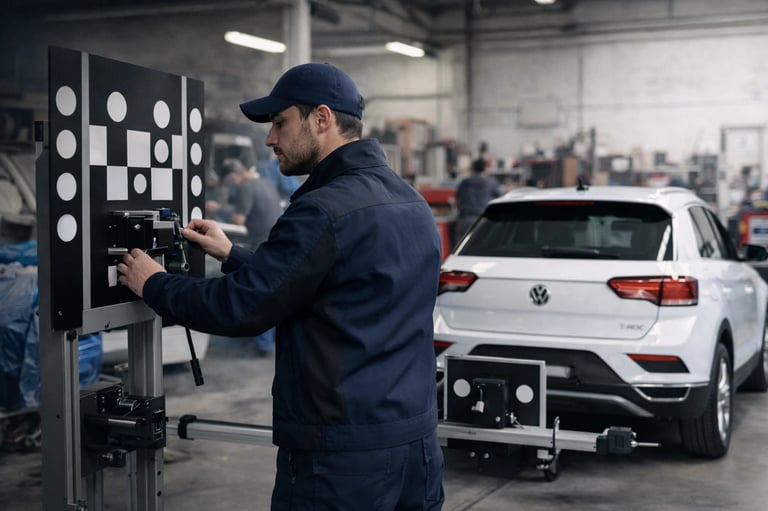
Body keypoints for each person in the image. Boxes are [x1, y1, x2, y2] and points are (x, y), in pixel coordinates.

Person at [117, 62, 445, 511]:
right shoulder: (411, 202)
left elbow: (239, 307)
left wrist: (154, 283)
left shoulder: (322, 210)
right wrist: (233, 255)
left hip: (341, 461)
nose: (270, 139)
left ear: (322, 119)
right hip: (417, 448)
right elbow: (336, 285)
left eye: (279, 122)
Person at [209, 157, 283, 355]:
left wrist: (217, 209)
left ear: (233, 176)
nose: (228, 187)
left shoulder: (246, 187)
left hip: (261, 244)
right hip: (275, 242)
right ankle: (265, 341)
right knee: (272, 293)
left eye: (227, 183)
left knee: (261, 295)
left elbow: (238, 218)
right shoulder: (266, 182)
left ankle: (263, 345)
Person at [454, 156, 503, 239]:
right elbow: (500, 199)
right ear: (485, 168)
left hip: (465, 219)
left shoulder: (465, 182)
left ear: (473, 168)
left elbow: (457, 201)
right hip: (482, 220)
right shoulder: (490, 182)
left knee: (460, 249)